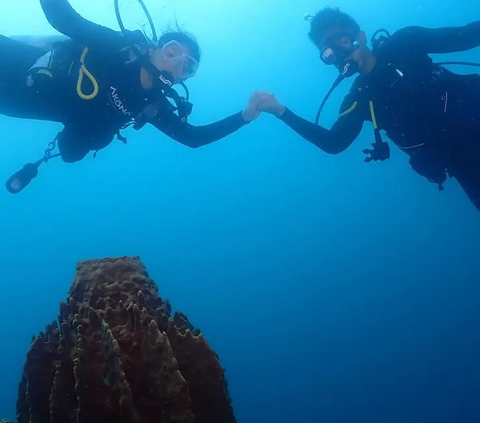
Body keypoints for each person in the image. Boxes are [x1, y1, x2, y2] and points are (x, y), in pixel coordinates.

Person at [1, 0, 261, 193]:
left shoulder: (152, 105)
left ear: (184, 78)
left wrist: (246, 115)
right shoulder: (118, 48)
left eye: (187, 66)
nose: (175, 64)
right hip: (13, 61)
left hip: (11, 103)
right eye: (172, 52)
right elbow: (63, 19)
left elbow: (193, 138)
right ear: (154, 48)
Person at [253, 7, 480, 211]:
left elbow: (469, 35)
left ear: (360, 37)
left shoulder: (405, 43)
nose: (340, 56)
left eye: (342, 42)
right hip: (465, 164)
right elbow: (334, 142)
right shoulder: (360, 98)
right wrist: (280, 111)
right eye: (329, 53)